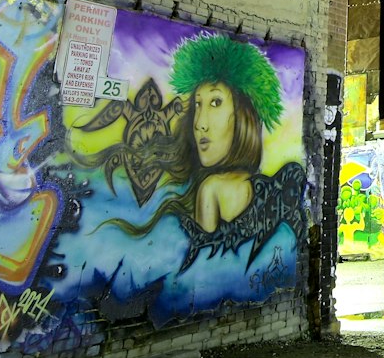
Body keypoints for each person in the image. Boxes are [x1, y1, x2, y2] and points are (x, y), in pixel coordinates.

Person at [89, 33, 304, 273]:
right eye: (198, 105)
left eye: (215, 103)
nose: (200, 122)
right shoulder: (272, 189)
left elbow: (199, 272)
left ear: (244, 116)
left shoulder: (211, 188)